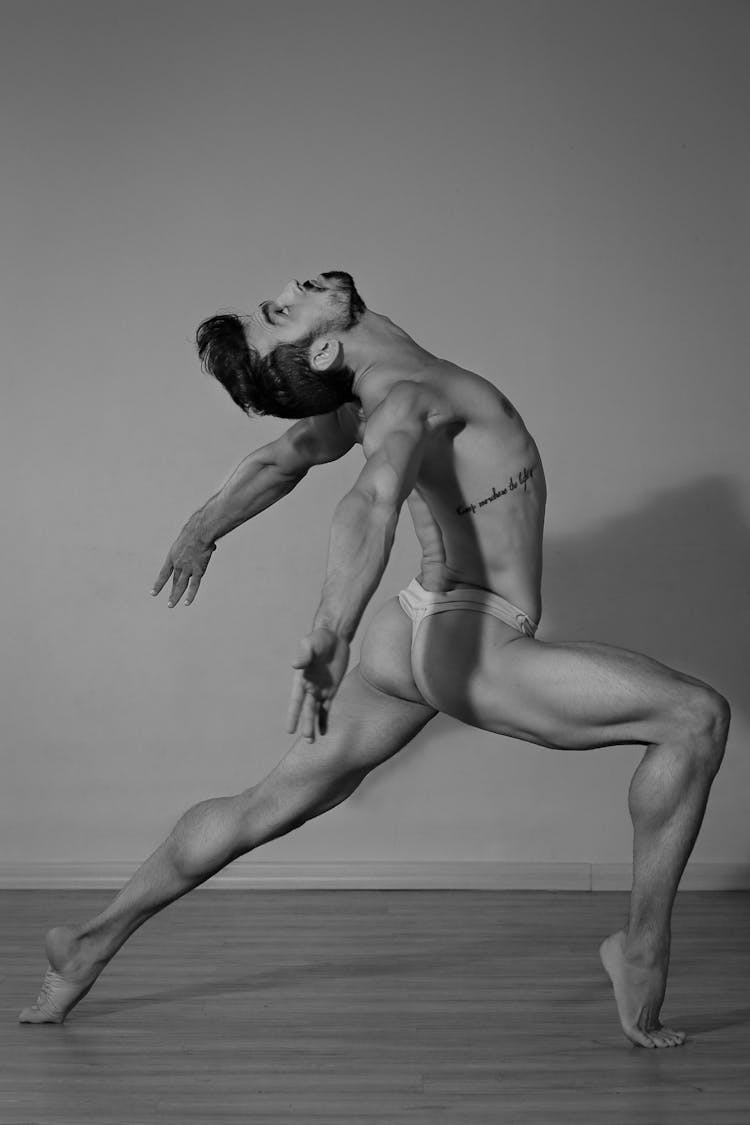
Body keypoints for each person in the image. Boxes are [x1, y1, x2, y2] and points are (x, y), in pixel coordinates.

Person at [20, 270, 729, 1048]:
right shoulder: (408, 396)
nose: (286, 286)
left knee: (264, 803)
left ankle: (86, 945)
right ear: (324, 343)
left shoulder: (357, 397)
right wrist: (331, 627)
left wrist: (201, 528)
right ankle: (642, 951)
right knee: (696, 718)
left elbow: (282, 456)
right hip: (472, 641)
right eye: (280, 310)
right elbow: (370, 502)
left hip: (415, 630)